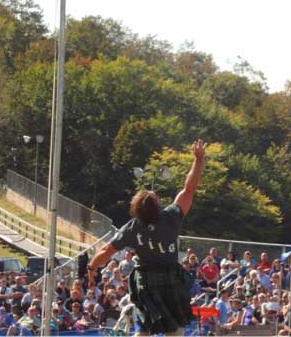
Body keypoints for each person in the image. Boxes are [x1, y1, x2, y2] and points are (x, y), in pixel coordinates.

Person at [87, 139, 207, 336]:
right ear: (157, 206)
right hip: (170, 278)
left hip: (145, 281)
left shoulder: (132, 228)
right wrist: (198, 160)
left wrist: (92, 268)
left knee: (144, 326)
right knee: (175, 328)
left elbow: (105, 251)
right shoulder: (171, 217)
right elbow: (189, 189)